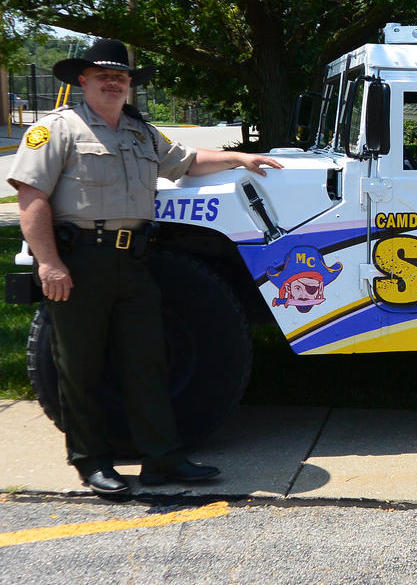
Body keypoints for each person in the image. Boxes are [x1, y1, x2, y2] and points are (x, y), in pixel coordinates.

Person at [8, 38, 284, 495]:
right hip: (80, 260)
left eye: (121, 77)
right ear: (83, 80)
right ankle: (92, 461)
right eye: (104, 76)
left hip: (134, 261)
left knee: (147, 362)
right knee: (81, 366)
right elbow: (31, 197)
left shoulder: (139, 131)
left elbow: (187, 162)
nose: (114, 82)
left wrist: (240, 158)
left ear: (129, 85)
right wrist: (49, 264)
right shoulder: (57, 129)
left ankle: (162, 460)